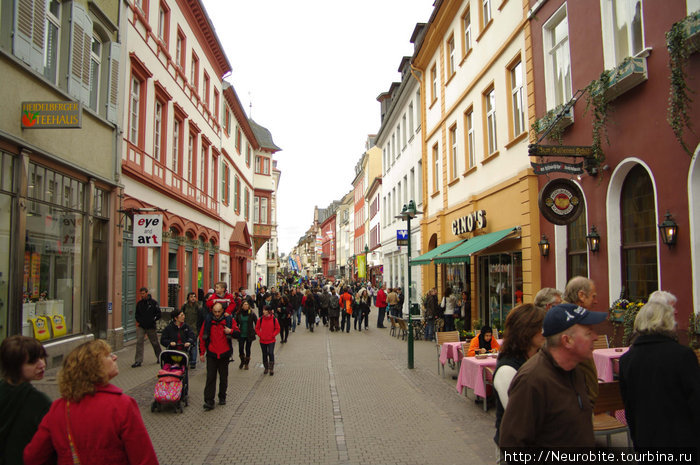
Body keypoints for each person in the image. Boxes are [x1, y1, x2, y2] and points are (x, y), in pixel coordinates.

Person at [24, 340, 158, 465]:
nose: (115, 357)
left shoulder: (59, 408)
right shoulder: (121, 405)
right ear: (93, 366)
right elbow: (144, 459)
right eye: (107, 356)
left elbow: (32, 457)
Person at [498, 302, 607, 448]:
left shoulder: (574, 370)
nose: (596, 337)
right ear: (567, 341)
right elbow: (513, 445)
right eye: (588, 332)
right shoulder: (532, 379)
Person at [619, 299, 700, 449]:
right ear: (668, 323)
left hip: (646, 441)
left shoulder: (626, 360)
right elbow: (695, 401)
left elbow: (629, 407)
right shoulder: (682, 355)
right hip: (681, 441)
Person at [493, 304, 546, 446]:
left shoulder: (537, 358)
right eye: (540, 328)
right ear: (525, 331)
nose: (545, 332)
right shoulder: (507, 370)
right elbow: (521, 419)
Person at [0, 336, 51, 465]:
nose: (42, 364)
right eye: (32, 361)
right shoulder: (39, 402)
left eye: (42, 357)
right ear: (14, 365)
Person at [563, 276, 600, 405]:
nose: (596, 301)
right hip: (576, 402)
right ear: (581, 296)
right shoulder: (570, 321)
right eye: (593, 296)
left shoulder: (571, 316)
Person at [199, 302, 240, 410]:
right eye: (215, 312)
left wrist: (230, 331)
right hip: (212, 353)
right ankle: (209, 401)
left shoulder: (229, 320)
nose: (216, 314)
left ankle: (222, 396)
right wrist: (202, 352)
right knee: (210, 378)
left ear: (222, 311)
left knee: (223, 377)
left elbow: (238, 333)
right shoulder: (208, 321)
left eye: (219, 311)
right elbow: (202, 337)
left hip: (224, 353)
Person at [160, 308, 195, 398]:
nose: (184, 317)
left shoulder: (186, 327)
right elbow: (163, 340)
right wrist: (169, 343)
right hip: (172, 353)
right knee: (170, 370)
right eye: (181, 315)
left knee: (184, 371)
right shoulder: (169, 328)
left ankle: (184, 391)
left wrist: (189, 342)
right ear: (176, 318)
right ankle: (169, 389)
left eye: (183, 315)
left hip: (183, 353)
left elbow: (192, 336)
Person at [132, 287, 162, 367]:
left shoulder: (153, 303)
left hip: (151, 326)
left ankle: (160, 357)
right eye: (141, 294)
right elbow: (136, 314)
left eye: (143, 293)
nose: (142, 295)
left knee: (154, 342)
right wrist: (139, 320)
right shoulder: (139, 304)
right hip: (141, 326)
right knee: (139, 342)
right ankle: (138, 360)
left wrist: (153, 319)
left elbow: (158, 313)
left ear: (146, 293)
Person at [181, 291, 204, 369]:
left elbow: (200, 318)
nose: (193, 298)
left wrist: (199, 329)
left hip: (194, 329)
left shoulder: (198, 307)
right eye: (191, 297)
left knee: (194, 345)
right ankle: (187, 359)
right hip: (186, 328)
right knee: (186, 345)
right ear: (188, 298)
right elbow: (181, 316)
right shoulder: (184, 306)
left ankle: (193, 362)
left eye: (194, 296)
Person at [255, 305, 280, 375]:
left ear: (269, 311)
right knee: (264, 353)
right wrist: (260, 335)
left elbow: (277, 328)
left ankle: (271, 368)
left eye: (265, 310)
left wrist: (273, 335)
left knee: (271, 353)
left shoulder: (274, 319)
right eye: (263, 310)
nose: (263, 311)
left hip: (271, 340)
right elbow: (256, 328)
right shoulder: (260, 319)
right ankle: (266, 367)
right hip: (263, 340)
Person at [234, 300, 257, 369]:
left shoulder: (252, 314)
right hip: (241, 334)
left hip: (249, 334)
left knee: (248, 348)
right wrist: (235, 330)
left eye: (247, 304)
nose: (246, 306)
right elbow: (235, 323)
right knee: (241, 348)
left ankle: (247, 363)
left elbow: (257, 322)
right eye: (244, 305)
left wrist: (256, 331)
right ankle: (242, 361)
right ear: (242, 306)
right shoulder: (239, 314)